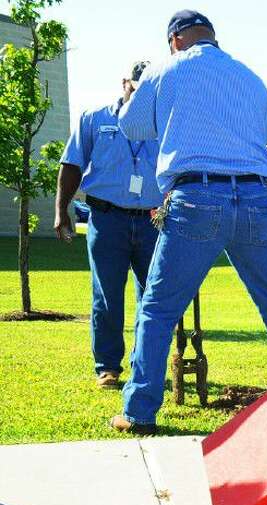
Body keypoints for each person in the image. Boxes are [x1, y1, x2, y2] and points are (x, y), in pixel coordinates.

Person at [109, 10, 267, 435]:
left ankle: (140, 410)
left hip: (197, 195)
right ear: (212, 38)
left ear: (175, 40)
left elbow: (131, 126)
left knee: (159, 308)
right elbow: (264, 130)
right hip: (257, 196)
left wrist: (130, 95)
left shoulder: (165, 68)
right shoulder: (248, 75)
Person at [54, 61, 161, 390]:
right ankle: (108, 368)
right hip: (106, 219)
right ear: (125, 83)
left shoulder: (166, 123)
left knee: (153, 297)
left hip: (153, 222)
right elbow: (72, 164)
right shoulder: (95, 118)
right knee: (107, 296)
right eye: (138, 88)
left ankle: (143, 363)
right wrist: (62, 209)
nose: (144, 97)